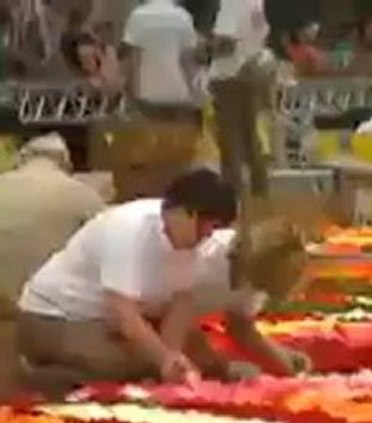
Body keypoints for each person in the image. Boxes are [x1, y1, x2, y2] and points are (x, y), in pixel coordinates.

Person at [16, 168, 237, 395]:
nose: (209, 234)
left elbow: (181, 303)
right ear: (183, 212)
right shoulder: (129, 228)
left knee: (181, 354)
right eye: (207, 224)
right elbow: (123, 315)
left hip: (105, 322)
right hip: (54, 315)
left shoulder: (191, 242)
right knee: (126, 364)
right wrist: (162, 359)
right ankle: (38, 375)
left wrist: (172, 358)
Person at [188, 218, 313, 378]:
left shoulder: (255, 275)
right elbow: (176, 322)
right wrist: (222, 367)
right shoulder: (208, 267)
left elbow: (241, 327)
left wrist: (286, 360)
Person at [0, 134, 107, 312]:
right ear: (65, 162)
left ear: (22, 157)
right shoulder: (80, 193)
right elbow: (108, 235)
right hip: (41, 302)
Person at [208, 0, 273, 197]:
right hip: (254, 70)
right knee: (253, 139)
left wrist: (201, 49)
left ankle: (234, 199)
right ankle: (260, 196)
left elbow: (226, 42)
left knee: (231, 142)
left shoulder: (232, 3)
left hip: (229, 76)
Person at [122, 0, 202, 123]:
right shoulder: (183, 17)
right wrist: (193, 93)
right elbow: (187, 62)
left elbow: (134, 61)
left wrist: (132, 93)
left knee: (150, 137)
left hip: (147, 90)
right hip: (178, 91)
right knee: (177, 137)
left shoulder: (138, 16)